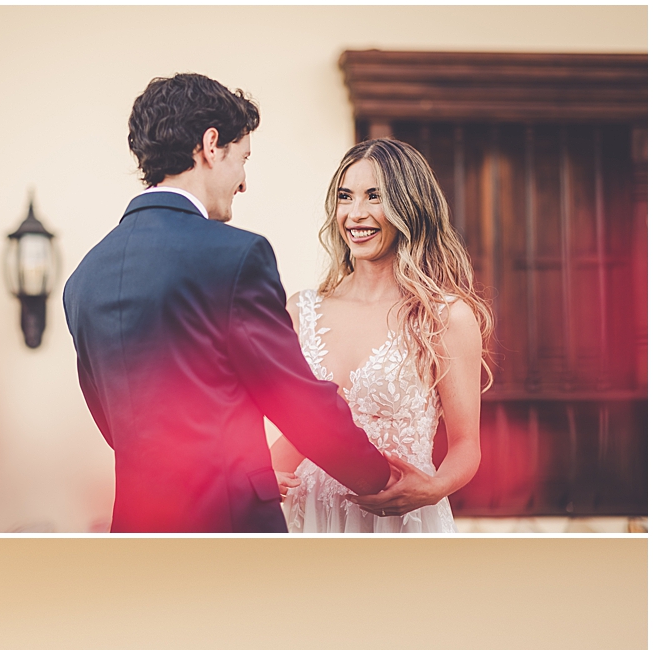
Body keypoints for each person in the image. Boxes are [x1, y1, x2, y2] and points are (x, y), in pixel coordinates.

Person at [62, 73, 420, 533]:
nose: (243, 182)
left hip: (135, 531)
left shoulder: (85, 277)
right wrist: (377, 476)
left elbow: (114, 422)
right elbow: (292, 397)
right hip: (228, 533)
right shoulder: (233, 256)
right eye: (243, 158)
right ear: (212, 145)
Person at [275, 138, 491, 532]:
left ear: (408, 205)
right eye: (345, 197)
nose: (355, 214)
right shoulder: (300, 312)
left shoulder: (444, 316)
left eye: (374, 197)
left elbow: (466, 445)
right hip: (313, 522)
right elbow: (295, 432)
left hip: (404, 521)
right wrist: (262, 476)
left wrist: (432, 488)